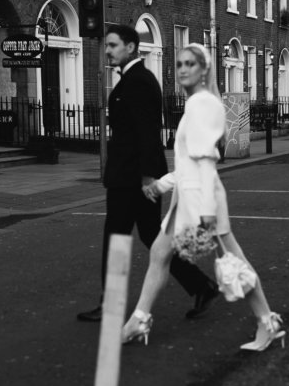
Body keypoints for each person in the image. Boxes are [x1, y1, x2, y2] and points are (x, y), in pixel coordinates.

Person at [121, 43, 286, 352]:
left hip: (202, 201)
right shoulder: (197, 102)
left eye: (190, 64)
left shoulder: (202, 104)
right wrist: (163, 185)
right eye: (180, 63)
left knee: (235, 264)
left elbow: (205, 163)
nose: (183, 69)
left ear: (204, 70)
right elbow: (189, 163)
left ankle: (268, 322)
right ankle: (138, 321)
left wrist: (206, 213)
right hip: (188, 196)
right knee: (159, 253)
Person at [77, 26, 218, 323]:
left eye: (113, 45)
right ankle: (201, 286)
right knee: (152, 235)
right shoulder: (134, 79)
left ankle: (111, 306)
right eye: (107, 46)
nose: (108, 50)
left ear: (130, 47)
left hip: (131, 179)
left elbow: (146, 134)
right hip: (133, 175)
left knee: (118, 237)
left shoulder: (138, 81)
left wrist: (146, 179)